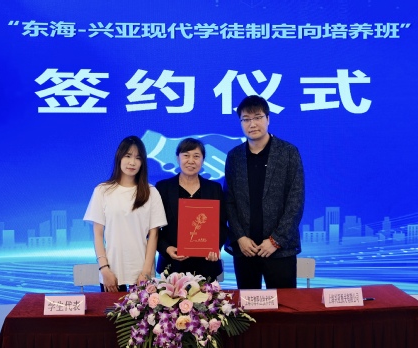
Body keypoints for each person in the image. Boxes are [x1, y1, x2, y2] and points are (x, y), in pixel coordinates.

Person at [224, 95, 305, 289]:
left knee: (285, 305)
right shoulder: (234, 156)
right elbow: (229, 201)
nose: (252, 124)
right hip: (246, 249)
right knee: (247, 305)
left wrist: (276, 240)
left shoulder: (288, 152)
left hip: (280, 250)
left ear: (268, 119)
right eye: (246, 119)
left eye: (257, 117)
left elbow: (296, 200)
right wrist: (240, 237)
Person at [84, 136, 167, 292]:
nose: (132, 162)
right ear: (119, 157)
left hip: (142, 274)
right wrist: (104, 268)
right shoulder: (102, 191)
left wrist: (146, 272)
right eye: (128, 156)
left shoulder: (151, 192)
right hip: (111, 272)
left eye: (138, 158)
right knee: (111, 309)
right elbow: (97, 233)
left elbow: (154, 234)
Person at [155, 138, 227, 282]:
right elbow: (154, 227)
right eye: (186, 155)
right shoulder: (163, 188)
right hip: (172, 264)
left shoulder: (214, 189)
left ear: (203, 160)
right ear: (178, 158)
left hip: (207, 264)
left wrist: (215, 247)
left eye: (196, 156)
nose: (191, 161)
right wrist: (167, 248)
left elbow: (222, 225)